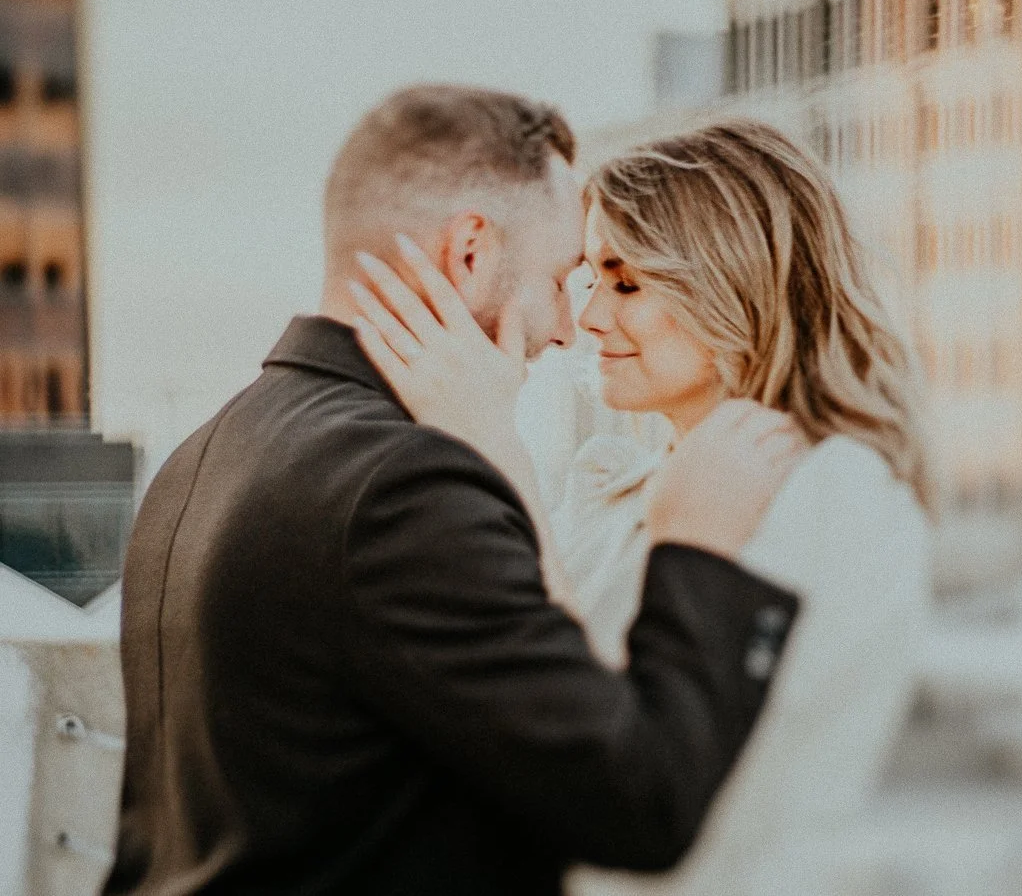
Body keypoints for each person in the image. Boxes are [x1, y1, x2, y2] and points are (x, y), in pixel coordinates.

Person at [104, 86, 807, 896]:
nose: (567, 328)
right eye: (560, 277)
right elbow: (639, 799)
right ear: (470, 252)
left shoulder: (203, 454)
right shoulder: (406, 488)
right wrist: (696, 547)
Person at [353, 118, 933, 895]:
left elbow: (639, 776)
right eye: (592, 277)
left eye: (627, 282)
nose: (590, 318)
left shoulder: (840, 495)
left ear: (734, 280)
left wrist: (497, 450)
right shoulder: (617, 483)